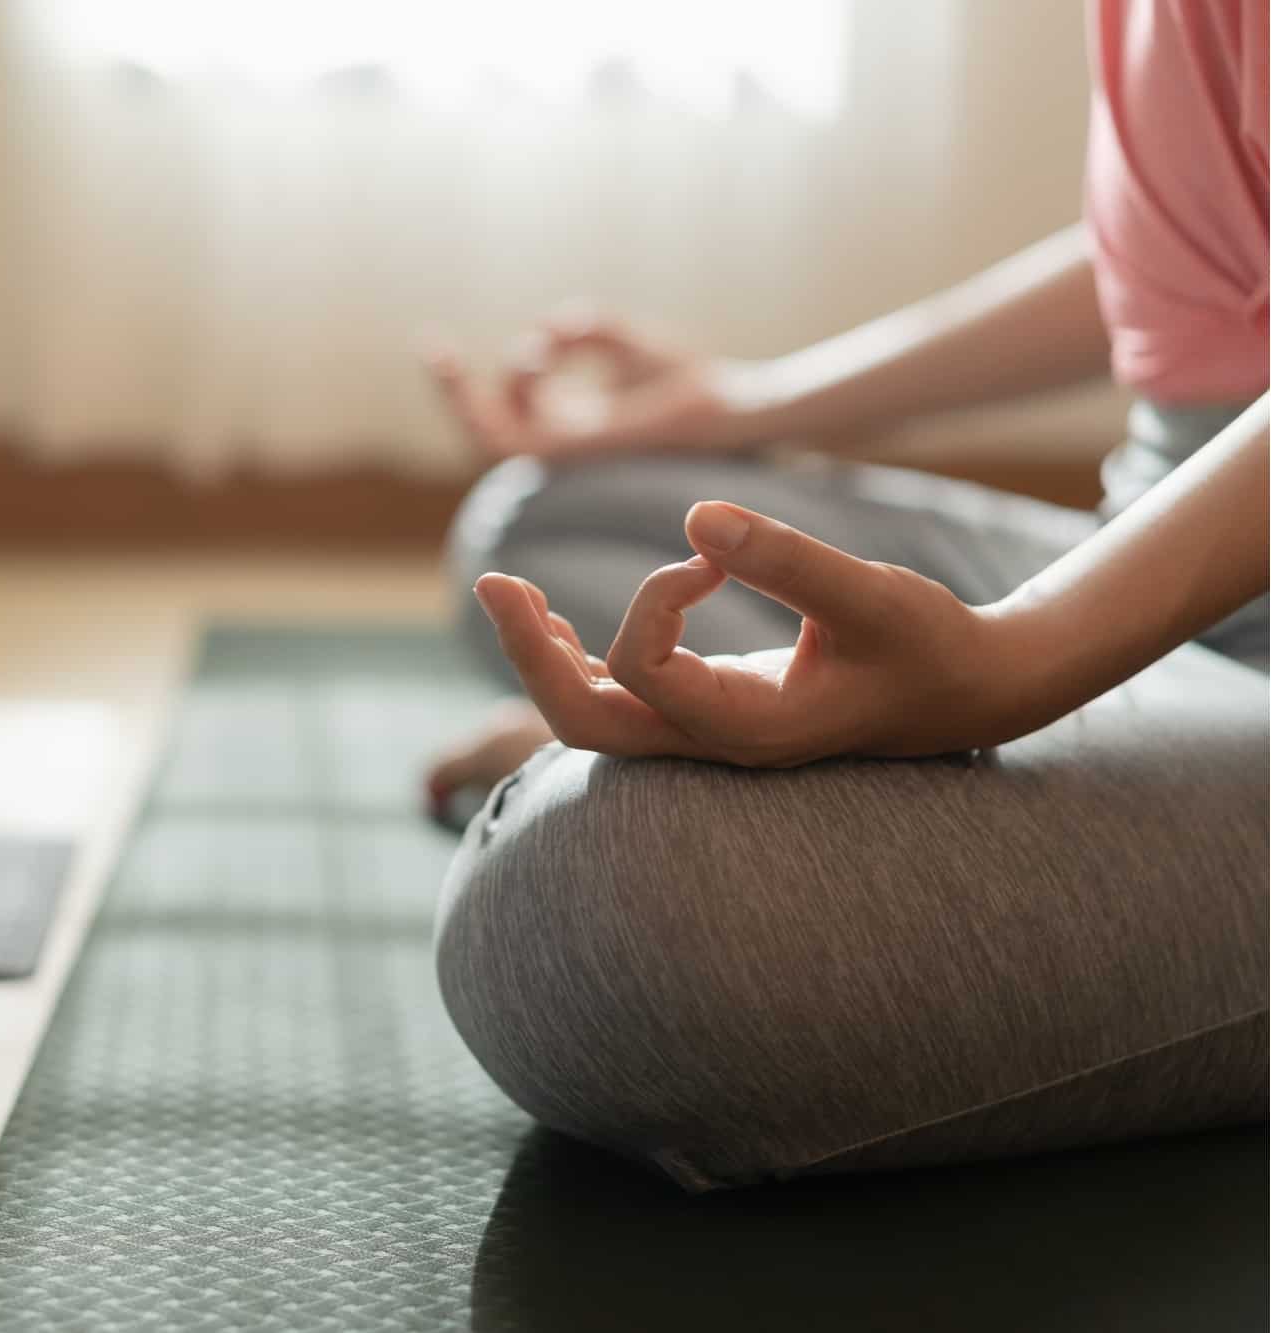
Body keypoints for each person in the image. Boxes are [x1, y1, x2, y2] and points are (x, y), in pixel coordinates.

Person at [425, 1, 1268, 1191]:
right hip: (1157, 529)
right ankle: (793, 753)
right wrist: (740, 405)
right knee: (549, 514)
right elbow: (1180, 255)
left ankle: (779, 779)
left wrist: (1020, 658)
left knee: (592, 899)